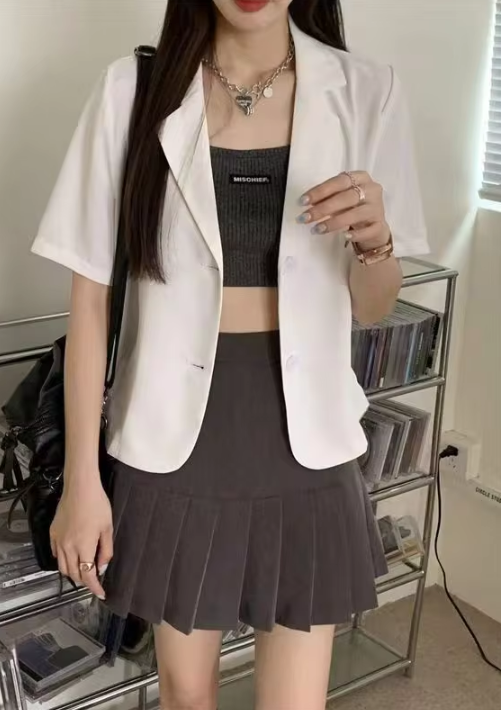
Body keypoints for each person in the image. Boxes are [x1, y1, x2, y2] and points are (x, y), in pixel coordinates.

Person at [30, 1, 429, 708]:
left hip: (305, 437)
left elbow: (372, 307)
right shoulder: (132, 90)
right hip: (176, 437)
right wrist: (82, 483)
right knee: (187, 695)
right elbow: (90, 303)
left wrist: (377, 242)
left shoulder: (368, 91)